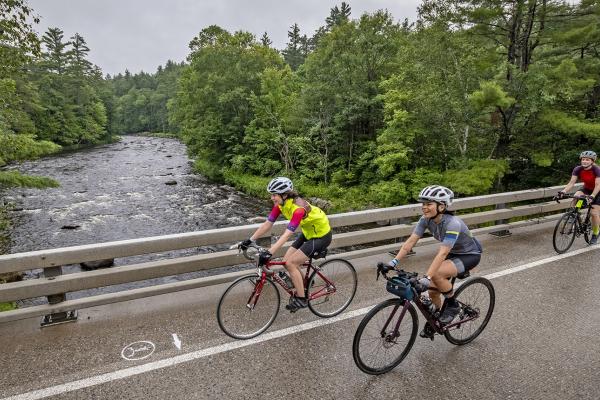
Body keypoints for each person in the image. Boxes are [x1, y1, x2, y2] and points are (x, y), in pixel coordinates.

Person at [386, 185, 482, 336]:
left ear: (441, 206)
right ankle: (437, 319)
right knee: (432, 291)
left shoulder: (453, 223)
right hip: (452, 253)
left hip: (469, 255)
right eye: (423, 204)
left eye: (429, 204)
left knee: (436, 274)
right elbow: (411, 242)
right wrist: (393, 262)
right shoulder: (425, 220)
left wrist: (427, 277)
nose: (424, 207)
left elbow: (442, 253)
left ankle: (452, 305)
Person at [241, 177, 332, 312]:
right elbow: (268, 224)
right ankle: (306, 283)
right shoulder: (280, 205)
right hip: (308, 233)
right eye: (271, 194)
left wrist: (270, 252)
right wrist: (250, 240)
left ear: (284, 195)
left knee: (291, 264)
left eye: (274, 195)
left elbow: (287, 234)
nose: (271, 197)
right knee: (285, 261)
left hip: (321, 236)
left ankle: (302, 299)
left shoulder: (298, 209)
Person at [558, 150, 600, 244]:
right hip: (587, 188)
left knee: (594, 213)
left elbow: (598, 185)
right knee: (577, 196)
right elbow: (571, 183)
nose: (584, 161)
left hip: (598, 191)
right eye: (583, 159)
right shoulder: (578, 169)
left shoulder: (596, 169)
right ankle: (574, 213)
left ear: (592, 161)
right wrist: (563, 191)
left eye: (587, 160)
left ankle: (596, 233)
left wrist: (592, 196)